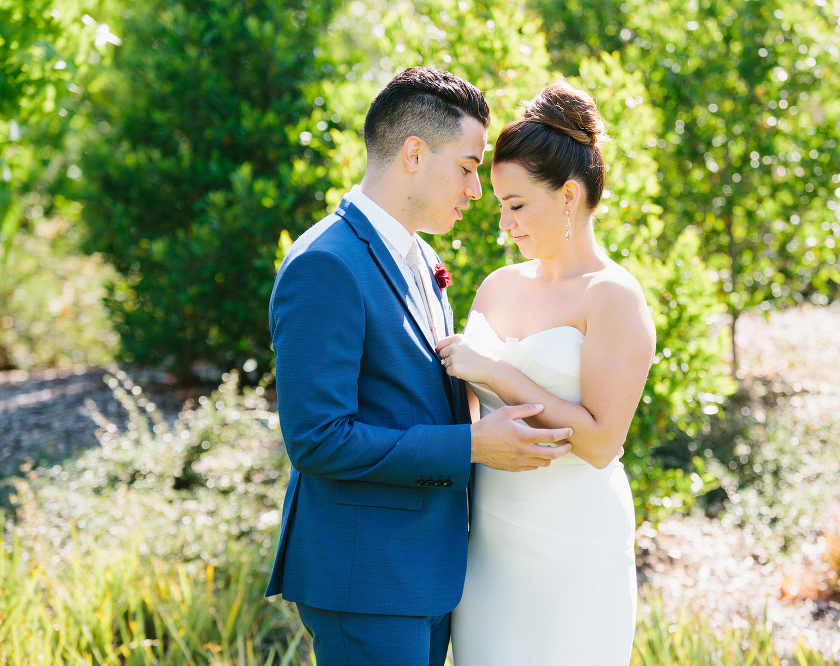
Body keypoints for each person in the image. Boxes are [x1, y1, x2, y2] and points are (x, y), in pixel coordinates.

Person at [265, 67, 574, 666]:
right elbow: (317, 440)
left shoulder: (420, 255)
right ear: (414, 154)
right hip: (366, 577)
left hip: (424, 568)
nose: (476, 189)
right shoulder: (324, 264)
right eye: (467, 166)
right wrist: (473, 446)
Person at [440, 81, 656, 665]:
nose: (504, 226)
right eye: (499, 207)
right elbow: (461, 412)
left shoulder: (613, 296)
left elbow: (601, 442)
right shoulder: (497, 286)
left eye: (516, 206)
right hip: (488, 534)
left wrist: (498, 373)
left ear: (567, 197)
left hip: (573, 539)